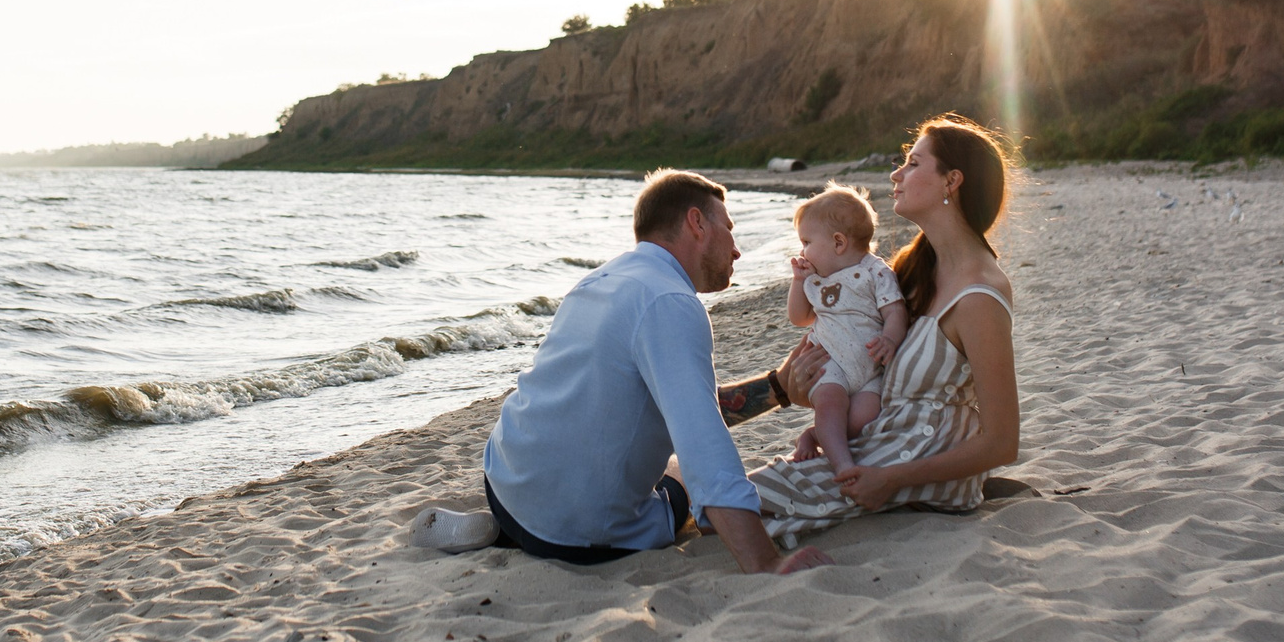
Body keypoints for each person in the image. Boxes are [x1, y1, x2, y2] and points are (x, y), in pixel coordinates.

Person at [409, 170, 831, 574]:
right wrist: (765, 561)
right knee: (679, 472)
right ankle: (547, 527)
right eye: (729, 228)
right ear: (696, 222)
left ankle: (506, 529)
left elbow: (670, 403)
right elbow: (704, 449)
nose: (736, 249)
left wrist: (777, 387)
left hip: (504, 482)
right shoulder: (671, 302)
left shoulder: (601, 280)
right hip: (578, 537)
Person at [744, 115, 1019, 542]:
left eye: (912, 163)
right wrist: (796, 392)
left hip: (910, 464)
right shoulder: (911, 271)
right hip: (878, 446)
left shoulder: (979, 296)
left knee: (731, 504)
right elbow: (849, 344)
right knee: (730, 498)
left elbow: (1002, 442)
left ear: (952, 181)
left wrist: (892, 480)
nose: (896, 173)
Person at [783, 184, 908, 474]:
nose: (803, 251)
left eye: (807, 242)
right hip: (830, 364)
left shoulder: (876, 273)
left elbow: (895, 310)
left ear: (838, 242)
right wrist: (799, 282)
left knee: (864, 418)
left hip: (869, 370)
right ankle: (842, 464)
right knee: (830, 404)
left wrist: (890, 338)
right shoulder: (816, 280)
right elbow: (799, 317)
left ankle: (813, 436)